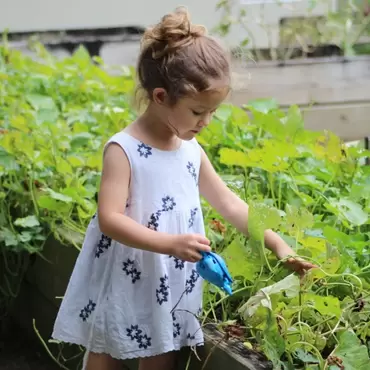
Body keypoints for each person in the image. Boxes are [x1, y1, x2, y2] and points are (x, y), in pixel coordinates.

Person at [51, 6, 315, 370]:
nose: (205, 122)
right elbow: (109, 219)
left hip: (172, 279)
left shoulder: (190, 151)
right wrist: (170, 244)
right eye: (196, 112)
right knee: (106, 350)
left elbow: (230, 205)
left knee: (164, 351)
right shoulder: (124, 150)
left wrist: (278, 245)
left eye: (212, 112)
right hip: (130, 273)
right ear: (160, 97)